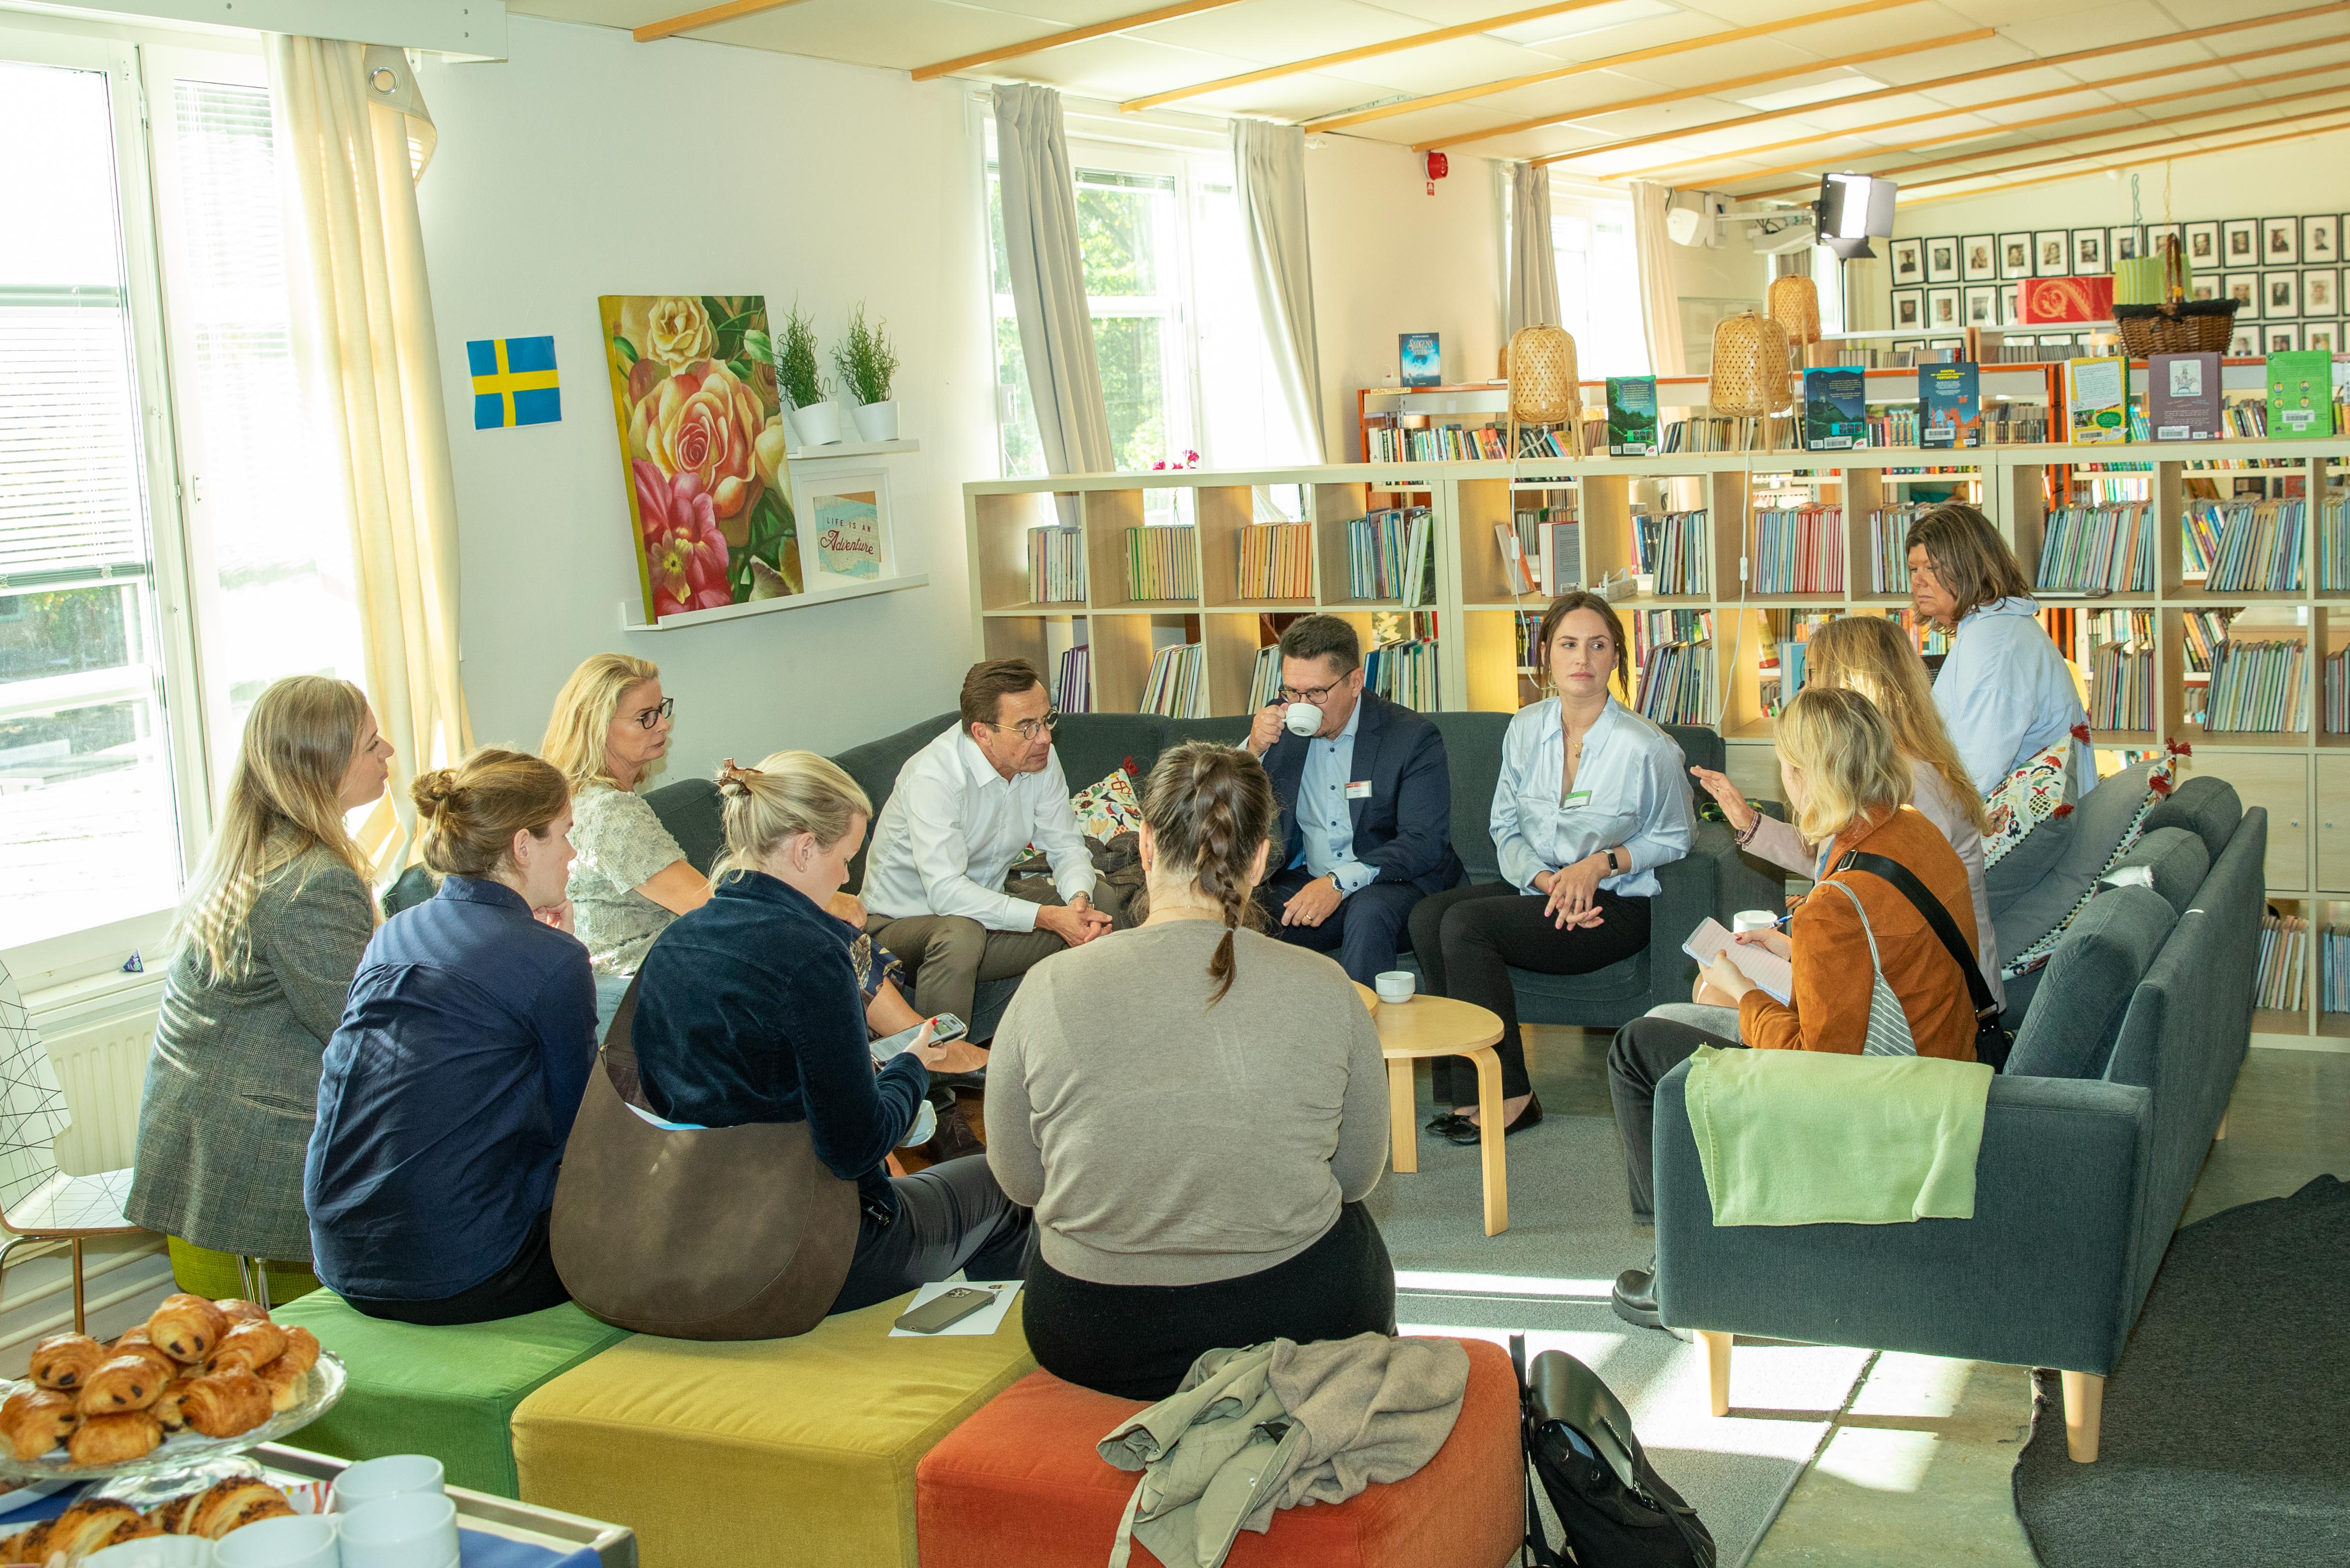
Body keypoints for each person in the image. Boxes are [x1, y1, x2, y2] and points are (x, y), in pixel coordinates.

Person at [987, 743, 1394, 1401]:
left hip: (1091, 1332)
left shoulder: (1048, 984)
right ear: (1261, 858)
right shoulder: (1326, 986)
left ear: (1144, 845)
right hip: (1290, 1322)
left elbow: (1020, 1180)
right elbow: (1354, 1176)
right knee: (1352, 1229)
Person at [1607, 686, 1981, 1326]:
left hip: (1892, 1093)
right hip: (1942, 1058)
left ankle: (1682, 1266)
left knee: (1637, 1048)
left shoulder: (1838, 901)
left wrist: (1738, 984)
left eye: (1786, 764)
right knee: (1672, 1022)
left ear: (1807, 776)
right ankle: (1693, 1238)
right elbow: (1885, 956)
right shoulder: (1909, 828)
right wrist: (1790, 946)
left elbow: (1815, 1063)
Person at [630, 752, 1032, 1315]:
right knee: (1006, 1180)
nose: (846, 877)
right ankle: (1001, 1365)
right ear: (802, 849)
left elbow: (664, 1092)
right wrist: (912, 1065)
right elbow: (854, 1148)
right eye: (844, 858)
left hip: (694, 1236)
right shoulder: (812, 956)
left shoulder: (676, 944)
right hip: (810, 1248)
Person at [305, 750, 594, 1325]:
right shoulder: (552, 961)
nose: (572, 853)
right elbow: (581, 1133)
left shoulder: (394, 933)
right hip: (466, 1271)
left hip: (341, 1256)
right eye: (564, 835)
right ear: (520, 846)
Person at [125, 676, 392, 1277]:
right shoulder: (314, 880)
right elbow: (362, 1036)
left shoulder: (262, 847)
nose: (389, 753)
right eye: (372, 744)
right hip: (253, 1165)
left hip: (198, 1142)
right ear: (323, 765)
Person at [1406, 592, 1695, 1145]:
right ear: (1545, 654)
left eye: (1597, 645)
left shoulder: (1645, 746)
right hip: (1540, 889)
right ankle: (1468, 1093)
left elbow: (1677, 837)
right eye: (1567, 644)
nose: (1581, 657)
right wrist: (1549, 882)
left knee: (1465, 926)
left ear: (1615, 658)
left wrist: (1598, 865)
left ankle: (1512, 1095)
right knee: (1427, 916)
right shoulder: (1523, 729)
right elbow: (1504, 829)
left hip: (1615, 904)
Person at [544, 653, 921, 1043]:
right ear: (597, 726)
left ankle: (904, 1051)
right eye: (645, 717)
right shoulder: (610, 812)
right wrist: (822, 903)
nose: (663, 725)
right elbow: (706, 904)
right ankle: (922, 1046)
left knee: (815, 939)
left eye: (662, 710)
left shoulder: (596, 797)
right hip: (648, 980)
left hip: (670, 959)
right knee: (820, 937)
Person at [1687, 613, 2002, 1011]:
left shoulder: (1910, 784)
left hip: (1923, 999)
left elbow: (1883, 897)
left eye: (1814, 674)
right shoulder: (1890, 771)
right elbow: (1852, 862)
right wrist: (1748, 824)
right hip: (1902, 978)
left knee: (1715, 989)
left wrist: (1812, 925)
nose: (1803, 689)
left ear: (1853, 684)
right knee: (1715, 980)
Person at [859, 659, 1112, 1029]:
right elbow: (945, 894)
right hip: (898, 930)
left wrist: (1078, 901)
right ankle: (936, 1073)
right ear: (981, 732)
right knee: (959, 932)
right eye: (1026, 727)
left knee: (1102, 901)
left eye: (1047, 720)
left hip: (984, 919)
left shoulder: (1040, 759)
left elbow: (1066, 846)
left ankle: (1089, 1039)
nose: (1044, 738)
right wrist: (1046, 918)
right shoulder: (934, 776)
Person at [1242, 614, 1463, 985]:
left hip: (1394, 884)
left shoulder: (1411, 737)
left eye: (1315, 693)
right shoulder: (1280, 724)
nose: (1302, 705)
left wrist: (1337, 882)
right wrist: (1253, 750)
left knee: (1368, 912)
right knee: (1240, 912)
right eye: (1291, 692)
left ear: (1355, 682)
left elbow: (1423, 842)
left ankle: (1363, 1039)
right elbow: (1226, 804)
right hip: (1307, 878)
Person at [1906, 503, 2094, 800]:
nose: (1918, 580)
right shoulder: (1992, 629)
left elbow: (1974, 780)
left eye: (1932, 568)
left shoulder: (1995, 647)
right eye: (1914, 568)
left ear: (1970, 567)